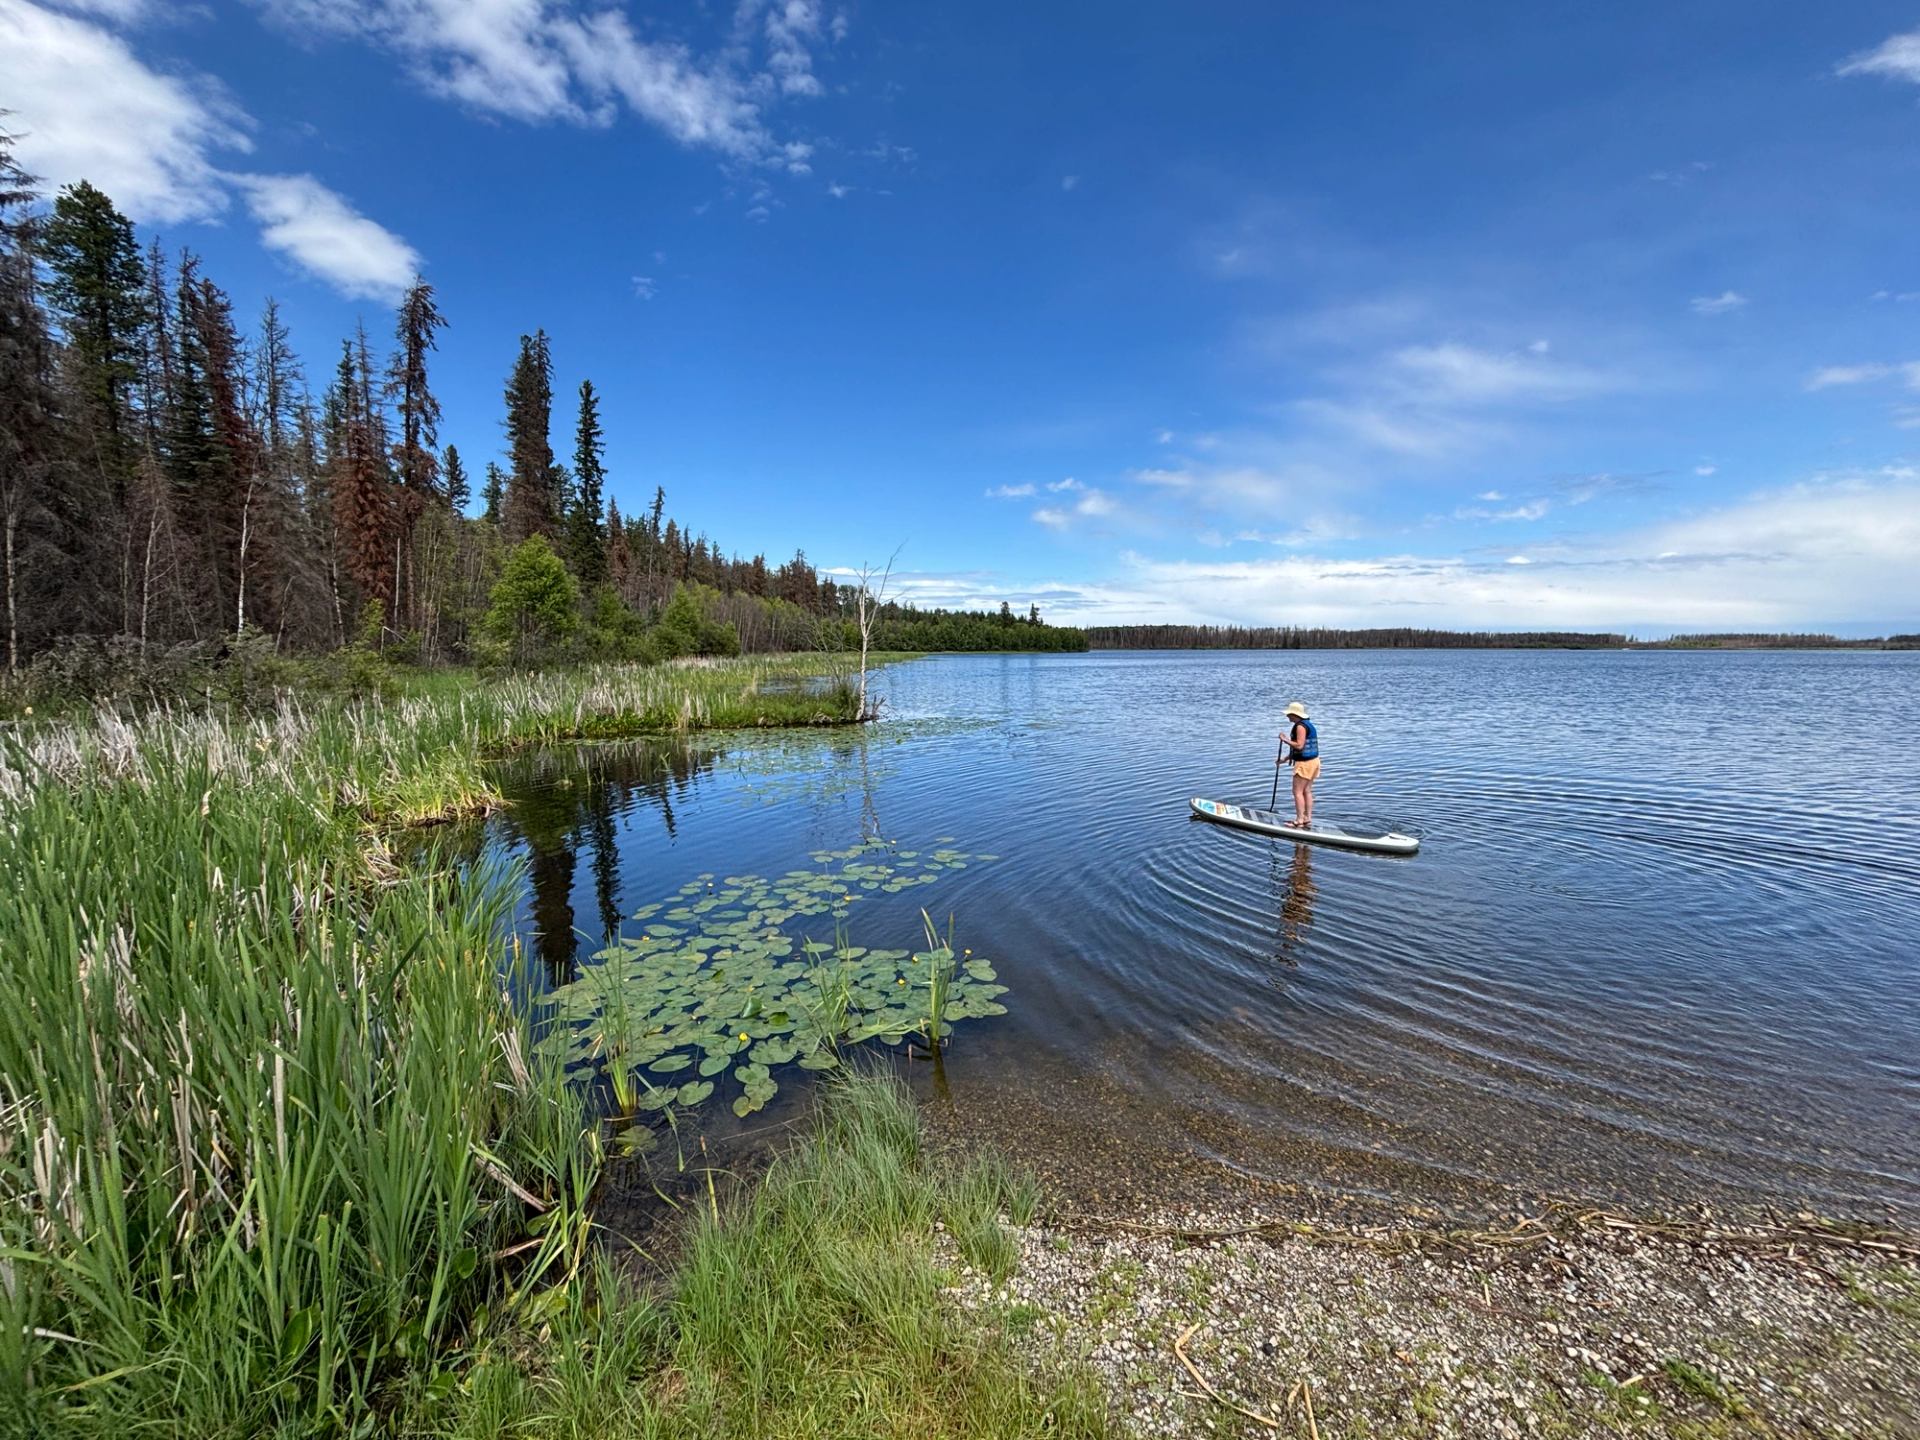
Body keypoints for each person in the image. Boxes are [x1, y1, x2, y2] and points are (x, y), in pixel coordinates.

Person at [1278, 700, 1319, 828]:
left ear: (1295, 715)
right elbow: (1302, 748)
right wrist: (1285, 759)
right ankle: (1307, 818)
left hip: (1305, 764)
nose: (1287, 716)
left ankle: (1299, 820)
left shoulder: (1300, 726)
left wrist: (1285, 740)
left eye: (1289, 714)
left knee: (1297, 791)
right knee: (1306, 790)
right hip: (1314, 762)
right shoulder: (1307, 724)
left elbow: (1300, 746)